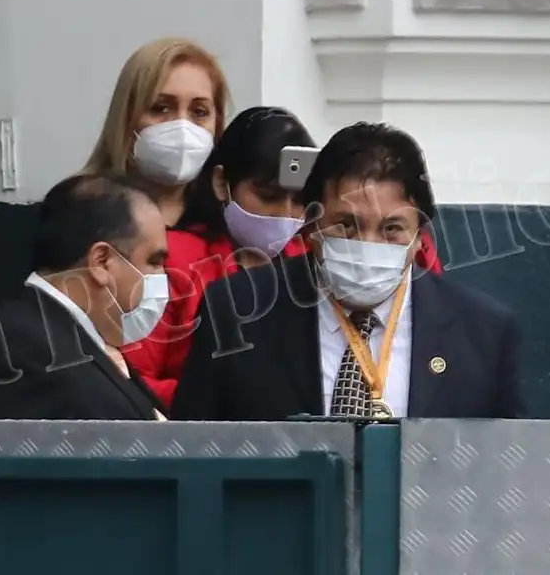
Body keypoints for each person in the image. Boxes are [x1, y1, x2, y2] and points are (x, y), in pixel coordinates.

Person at [170, 122, 523, 420]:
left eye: (391, 228)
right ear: (311, 226)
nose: (368, 244)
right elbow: (196, 450)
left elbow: (505, 471)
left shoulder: (484, 333)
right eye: (346, 225)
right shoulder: (237, 309)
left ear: (419, 238)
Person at [122, 107, 445, 407]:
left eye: (297, 203)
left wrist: (408, 238)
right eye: (269, 196)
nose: (285, 215)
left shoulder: (306, 249)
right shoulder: (180, 262)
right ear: (223, 184)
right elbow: (141, 379)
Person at [0, 172, 170, 420]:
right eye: (154, 262)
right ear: (102, 261)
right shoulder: (21, 348)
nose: (163, 275)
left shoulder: (75, 341)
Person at [83, 38, 230, 227]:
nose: (182, 126)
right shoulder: (76, 216)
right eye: (160, 108)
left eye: (199, 111)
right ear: (126, 117)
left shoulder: (229, 226)